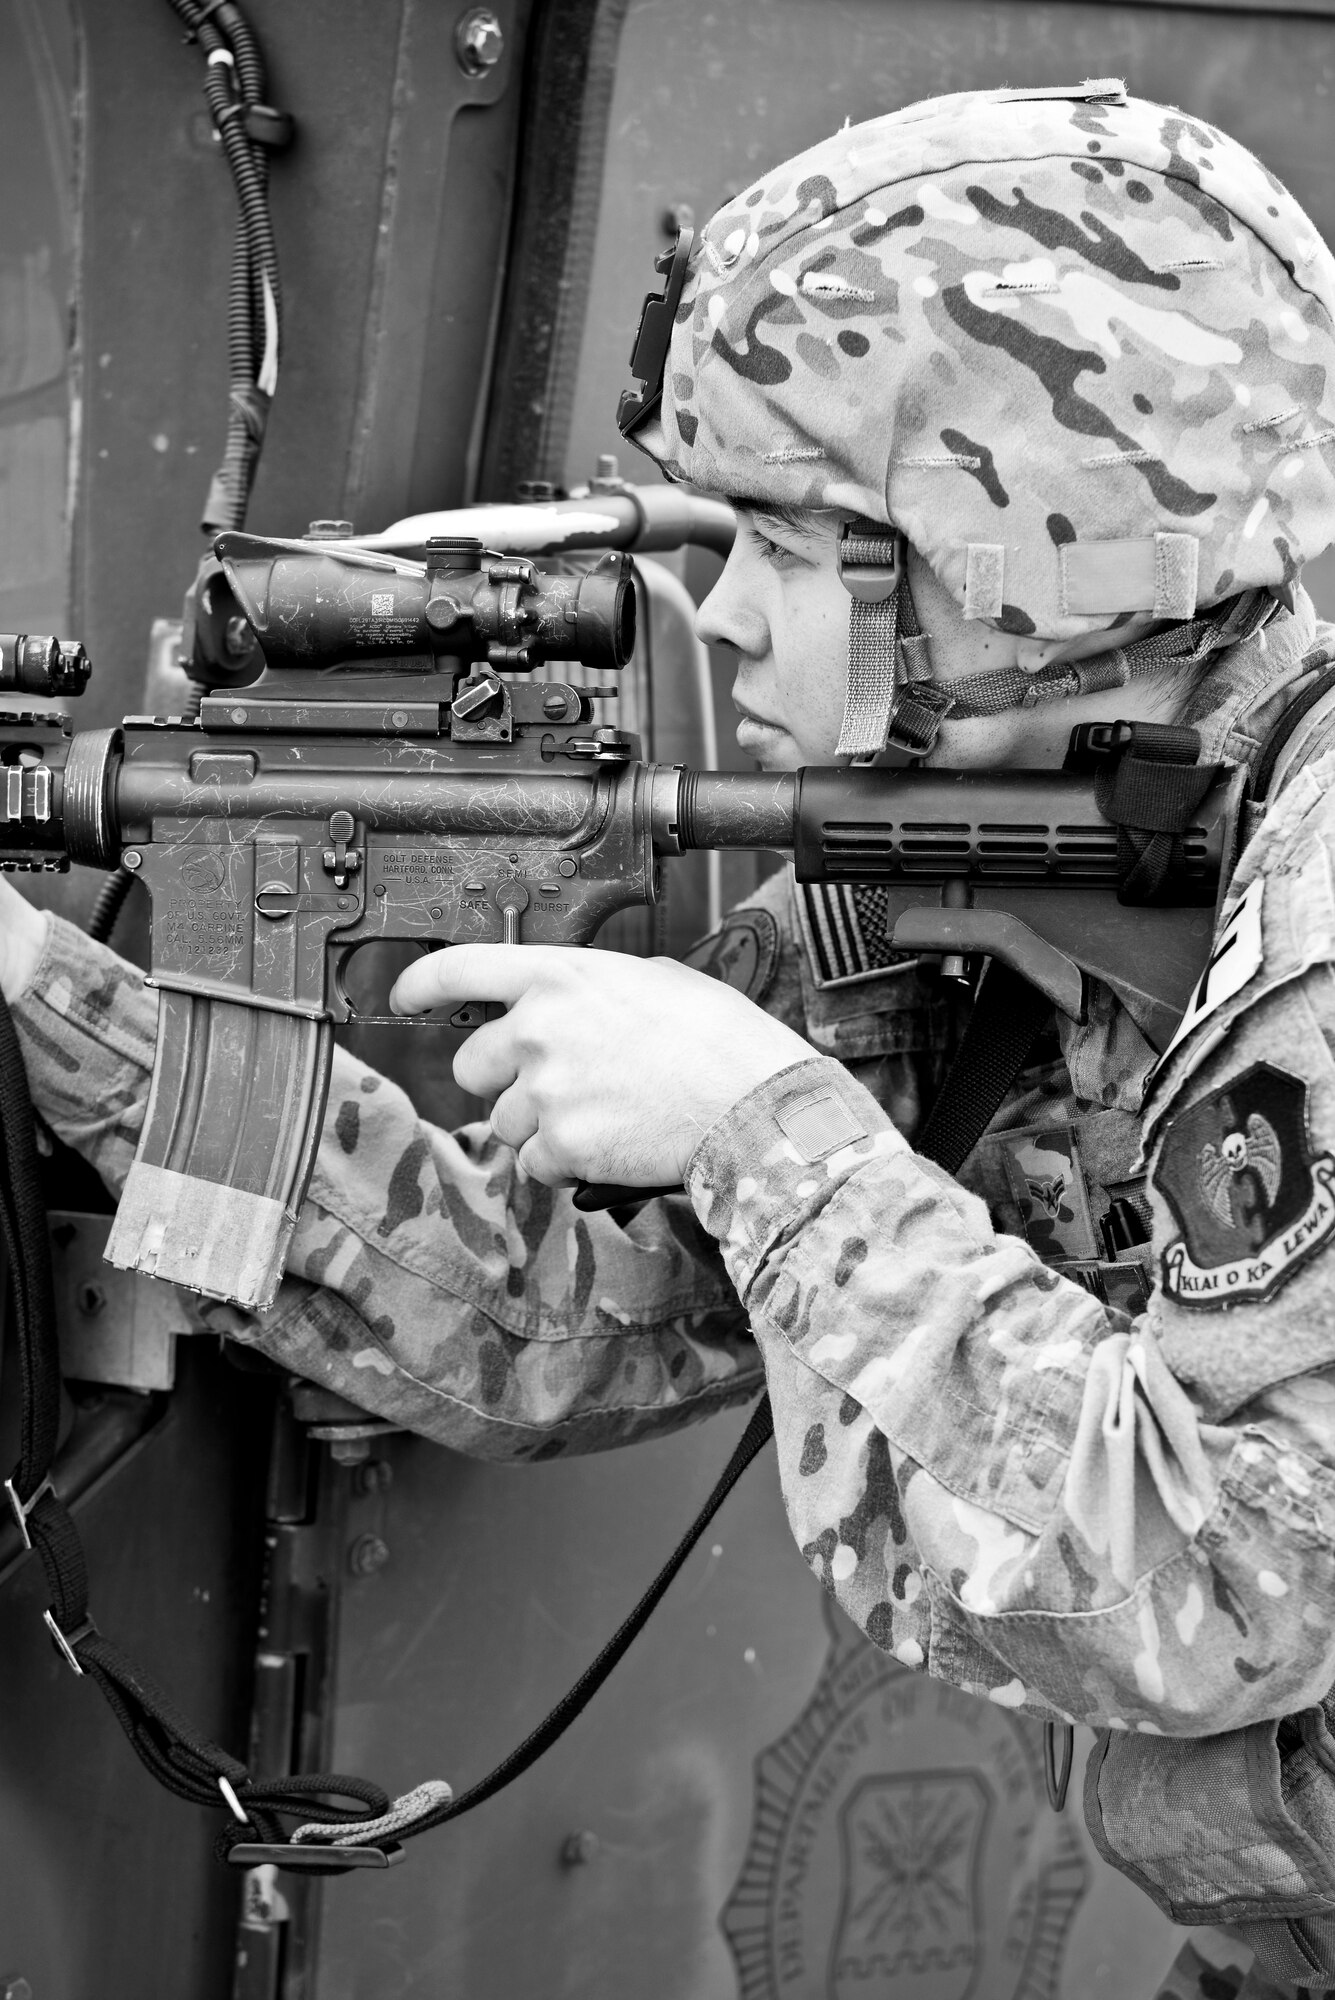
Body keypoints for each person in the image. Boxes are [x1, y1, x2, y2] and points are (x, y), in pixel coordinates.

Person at [5, 79, 1335, 1990]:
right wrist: (61, 1009)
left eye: (790, 545)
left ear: (1015, 558)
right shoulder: (946, 893)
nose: (716, 611)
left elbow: (1243, 1589)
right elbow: (568, 1329)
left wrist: (757, 1125)